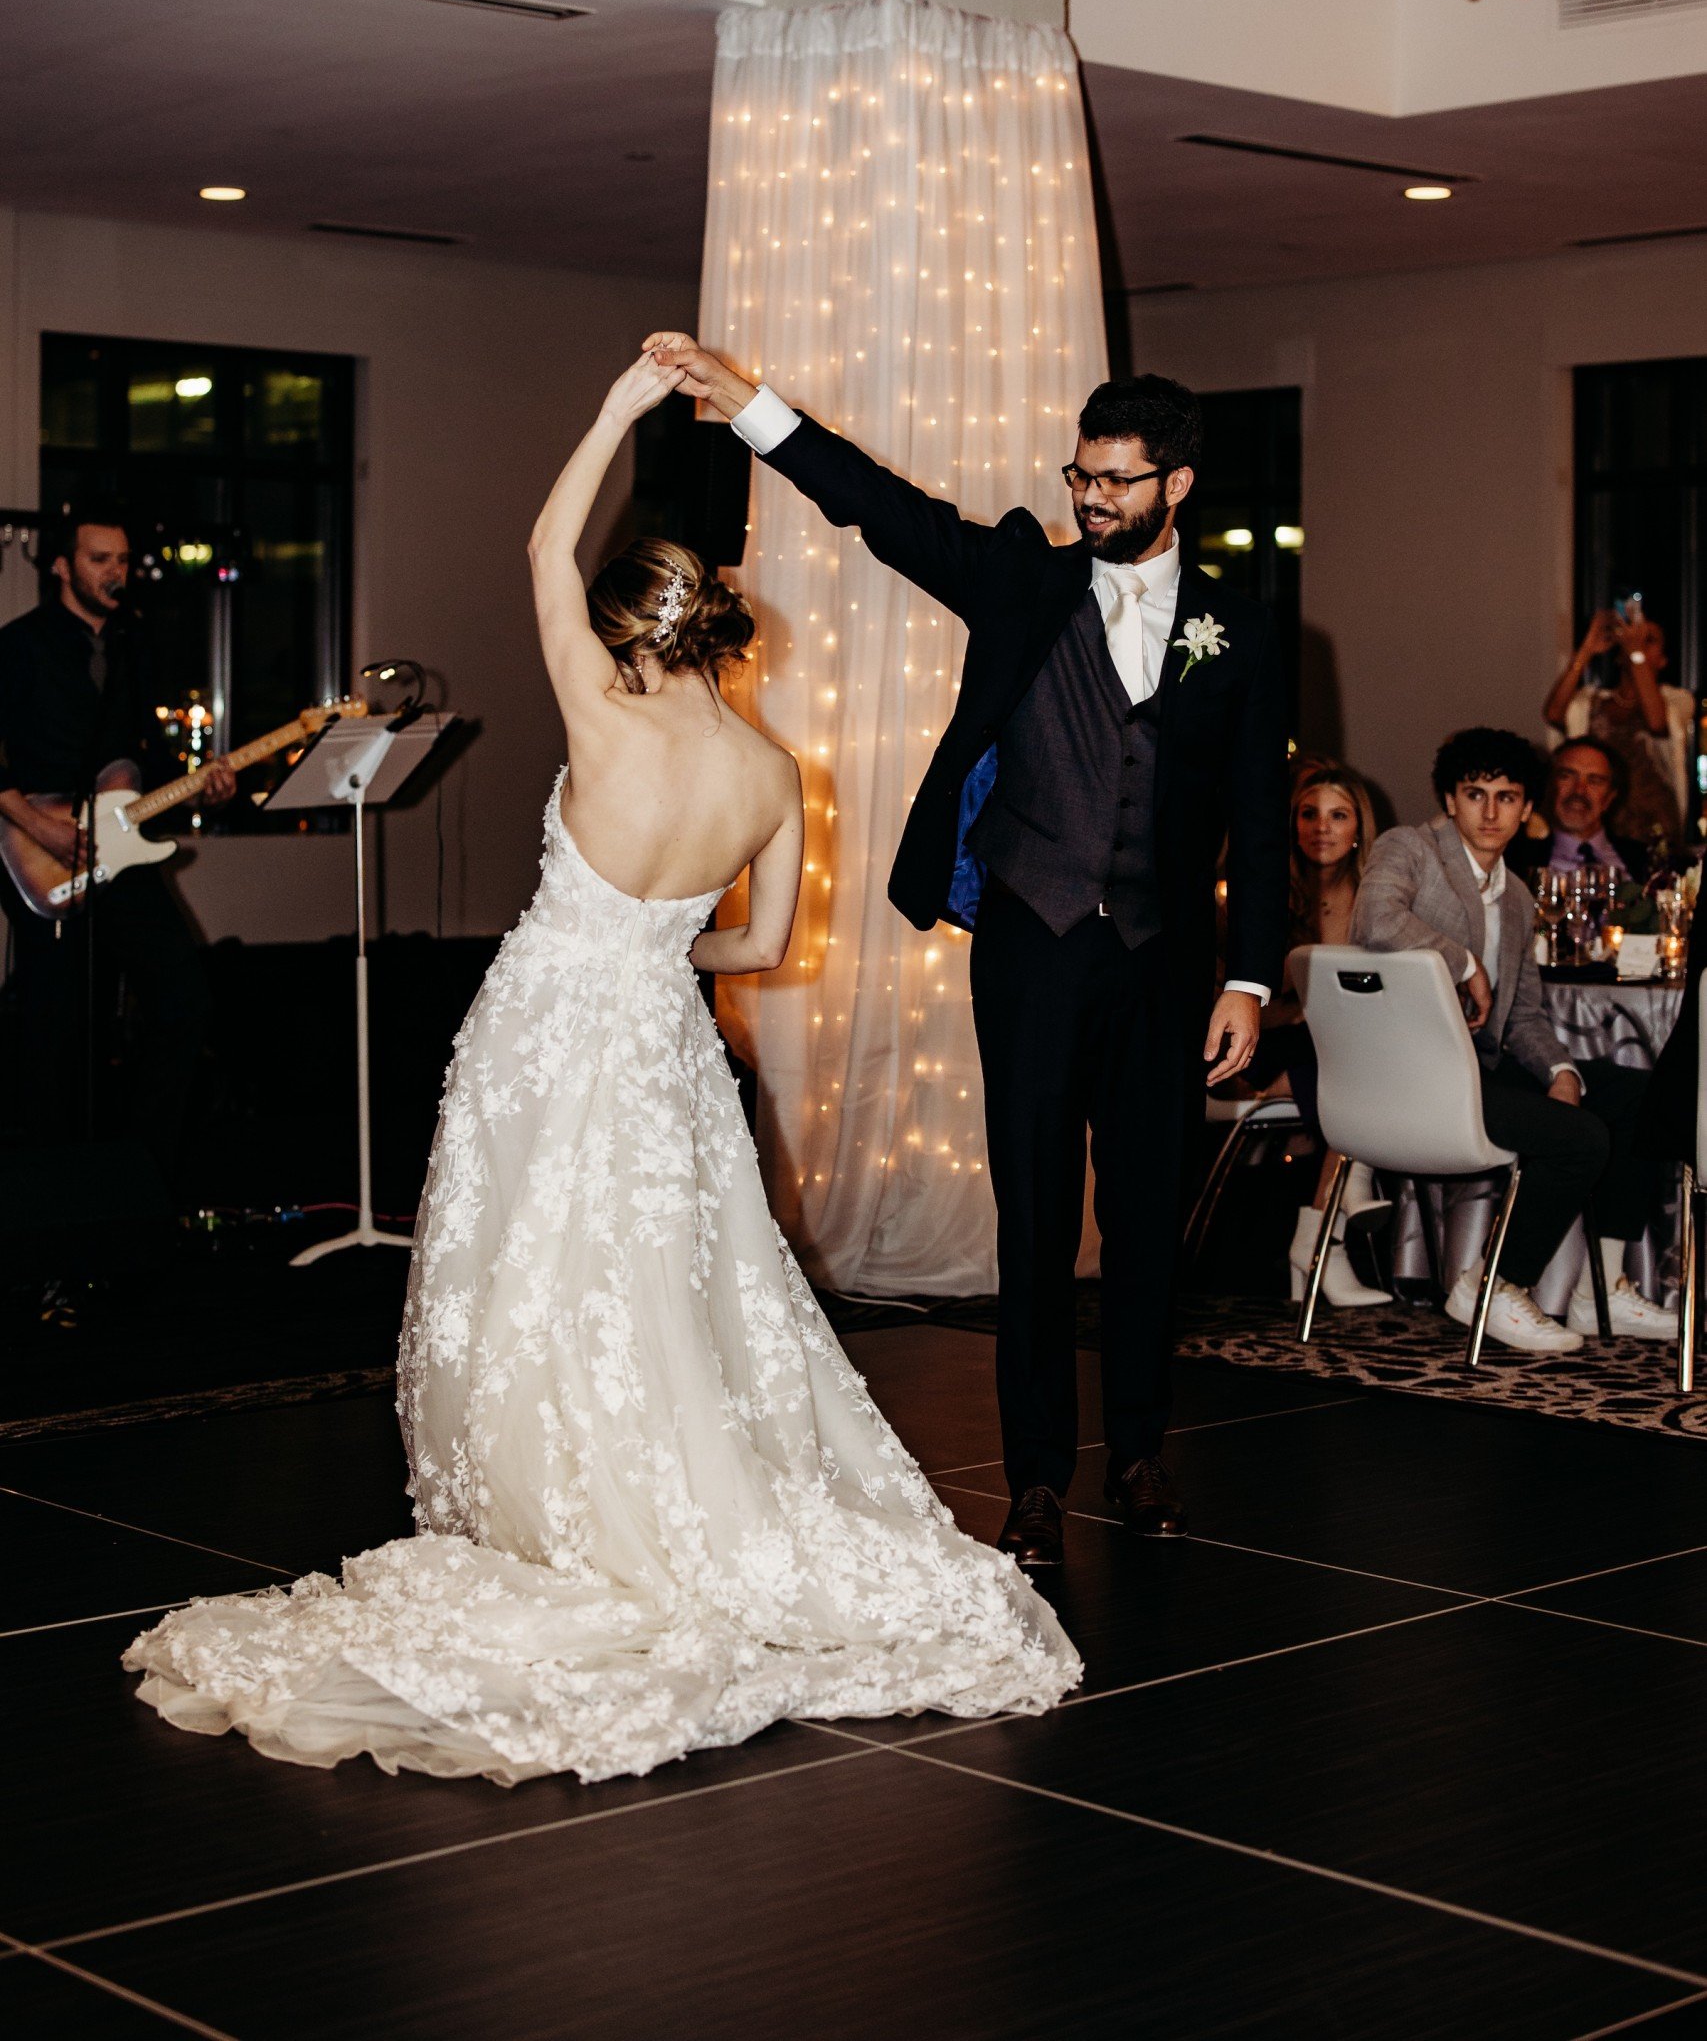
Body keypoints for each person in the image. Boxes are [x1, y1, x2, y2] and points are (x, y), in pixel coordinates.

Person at [124, 352, 1080, 1784]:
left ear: (634, 640)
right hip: (655, 1040)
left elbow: (537, 543)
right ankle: (679, 1513)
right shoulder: (773, 780)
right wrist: (656, 954)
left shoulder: (602, 713)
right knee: (667, 1281)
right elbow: (752, 950)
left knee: (528, 1267)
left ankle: (558, 1519)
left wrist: (617, 414)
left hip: (540, 1021)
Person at [647, 333, 1288, 1572]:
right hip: (1036, 946)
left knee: (1151, 1224)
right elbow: (888, 512)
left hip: (1167, 966)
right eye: (1080, 476)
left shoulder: (1244, 634)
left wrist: (1250, 980)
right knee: (1037, 1223)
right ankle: (1039, 1480)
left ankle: (1145, 1457)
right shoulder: (1023, 580)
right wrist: (755, 412)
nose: (1092, 499)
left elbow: (1259, 822)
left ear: (1179, 484)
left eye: (1118, 482)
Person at [1351, 728, 1674, 1352]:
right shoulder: (1411, 849)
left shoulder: (1519, 897)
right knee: (1579, 1140)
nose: (1491, 811)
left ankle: (1597, 1293)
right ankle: (1494, 1285)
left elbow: (1523, 1015)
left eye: (1507, 797)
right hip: (1415, 1077)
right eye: (1476, 795)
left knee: (1636, 1095)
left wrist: (1561, 1071)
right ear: (1450, 800)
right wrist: (1466, 963)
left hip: (1481, 1070)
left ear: (1528, 809)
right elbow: (1375, 921)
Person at [0, 504, 234, 1168]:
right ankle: (52, 1196)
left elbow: (141, 762)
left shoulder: (132, 646)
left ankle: (138, 1173)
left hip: (121, 853)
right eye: (100, 559)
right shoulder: (19, 646)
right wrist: (35, 820)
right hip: (43, 851)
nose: (116, 571)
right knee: (58, 1030)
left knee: (182, 999)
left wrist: (201, 783)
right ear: (61, 567)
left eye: (123, 560)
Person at [1263, 761, 1392, 1311]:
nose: (1321, 827)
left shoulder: (1377, 903)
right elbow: (1236, 1004)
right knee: (1351, 1070)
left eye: (1338, 815)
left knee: (1365, 1061)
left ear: (1359, 826)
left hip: (1338, 1057)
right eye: (1308, 814)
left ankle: (1319, 1234)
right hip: (1267, 1049)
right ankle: (1343, 1198)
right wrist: (1301, 1015)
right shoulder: (1264, 895)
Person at [1543, 608, 1694, 852]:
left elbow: (1657, 724)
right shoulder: (1590, 702)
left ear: (1663, 659)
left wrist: (1636, 652)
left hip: (1654, 830)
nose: (1637, 642)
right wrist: (1586, 649)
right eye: (1633, 638)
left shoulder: (1676, 701)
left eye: (1649, 640)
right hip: (1597, 822)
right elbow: (1553, 714)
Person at [1509, 736, 1648, 884]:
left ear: (1609, 797)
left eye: (1594, 781)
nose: (1579, 791)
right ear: (1549, 786)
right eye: (1566, 776)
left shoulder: (1645, 860)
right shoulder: (1515, 860)